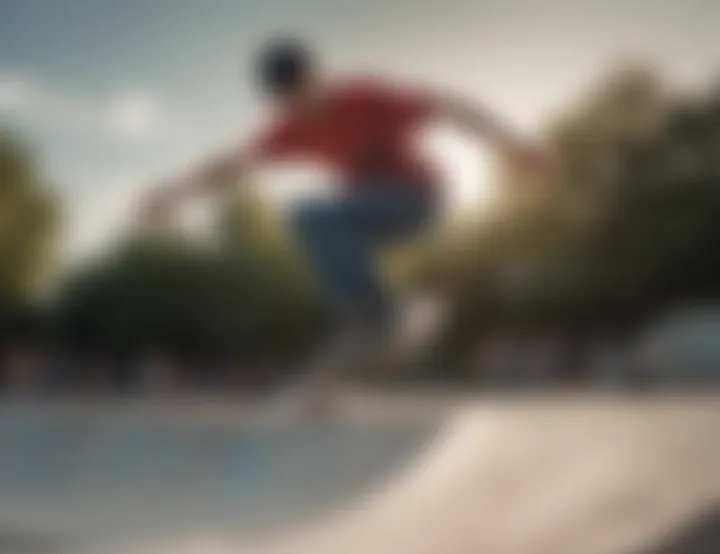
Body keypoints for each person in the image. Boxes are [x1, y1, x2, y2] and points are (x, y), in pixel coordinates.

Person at [138, 38, 547, 403]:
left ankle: (377, 314)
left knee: (314, 214)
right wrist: (172, 196)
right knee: (314, 218)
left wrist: (514, 145)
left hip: (422, 199)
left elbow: (455, 108)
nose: (301, 108)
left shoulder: (366, 96)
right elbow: (231, 165)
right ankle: (374, 320)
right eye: (288, 102)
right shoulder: (290, 129)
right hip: (369, 214)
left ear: (319, 78)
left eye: (303, 94)